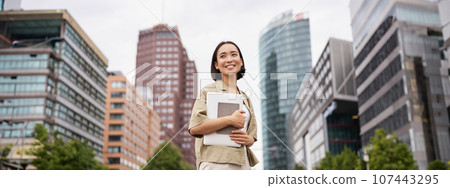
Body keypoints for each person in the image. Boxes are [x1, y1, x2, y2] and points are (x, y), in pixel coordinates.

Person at [188, 41, 259, 170]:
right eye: (223, 56)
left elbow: (252, 137)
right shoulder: (207, 91)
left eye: (234, 54)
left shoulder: (245, 98)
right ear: (216, 65)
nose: (229, 59)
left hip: (243, 163)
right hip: (216, 163)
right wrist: (229, 120)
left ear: (241, 61)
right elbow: (195, 128)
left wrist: (248, 140)